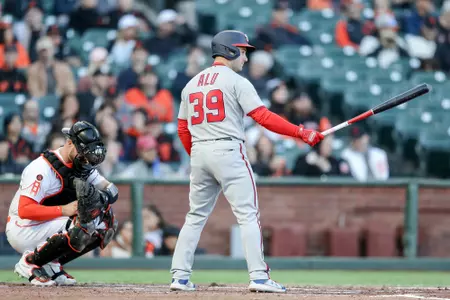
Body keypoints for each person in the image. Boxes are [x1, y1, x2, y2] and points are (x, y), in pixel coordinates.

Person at [170, 30, 324, 293]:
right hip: (228, 150)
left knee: (195, 216)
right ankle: (259, 277)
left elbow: (183, 129)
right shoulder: (236, 81)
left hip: (199, 153)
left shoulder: (191, 83)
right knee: (248, 215)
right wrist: (300, 132)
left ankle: (179, 277)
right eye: (242, 51)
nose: (245, 57)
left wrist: (196, 155)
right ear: (228, 50)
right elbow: (263, 117)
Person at [5, 121, 119, 286]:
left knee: (105, 222)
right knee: (81, 224)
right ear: (70, 143)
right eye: (84, 154)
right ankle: (29, 262)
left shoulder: (82, 165)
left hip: (47, 225)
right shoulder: (41, 169)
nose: (87, 160)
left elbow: (111, 189)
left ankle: (51, 263)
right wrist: (65, 210)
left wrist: (102, 199)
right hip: (23, 228)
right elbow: (24, 210)